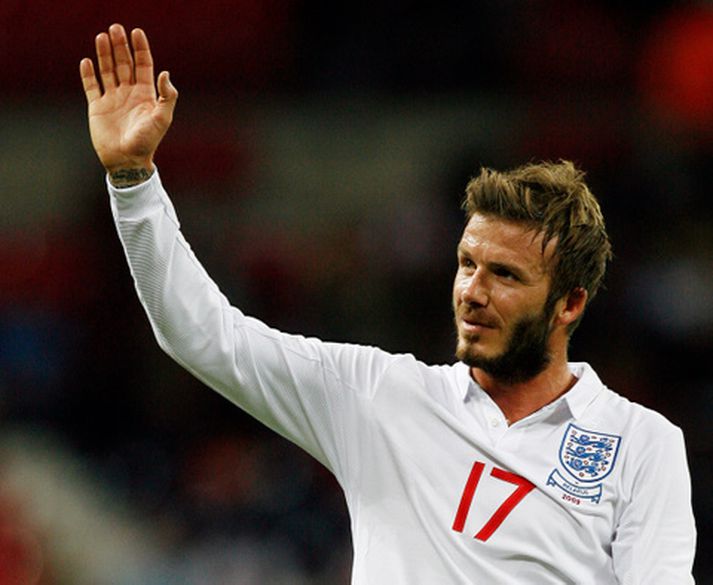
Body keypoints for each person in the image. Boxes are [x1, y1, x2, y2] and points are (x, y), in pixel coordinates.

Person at [80, 24, 696, 584]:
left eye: (505, 275)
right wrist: (133, 179)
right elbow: (202, 335)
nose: (473, 292)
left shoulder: (640, 444)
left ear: (570, 304)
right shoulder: (379, 397)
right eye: (467, 264)